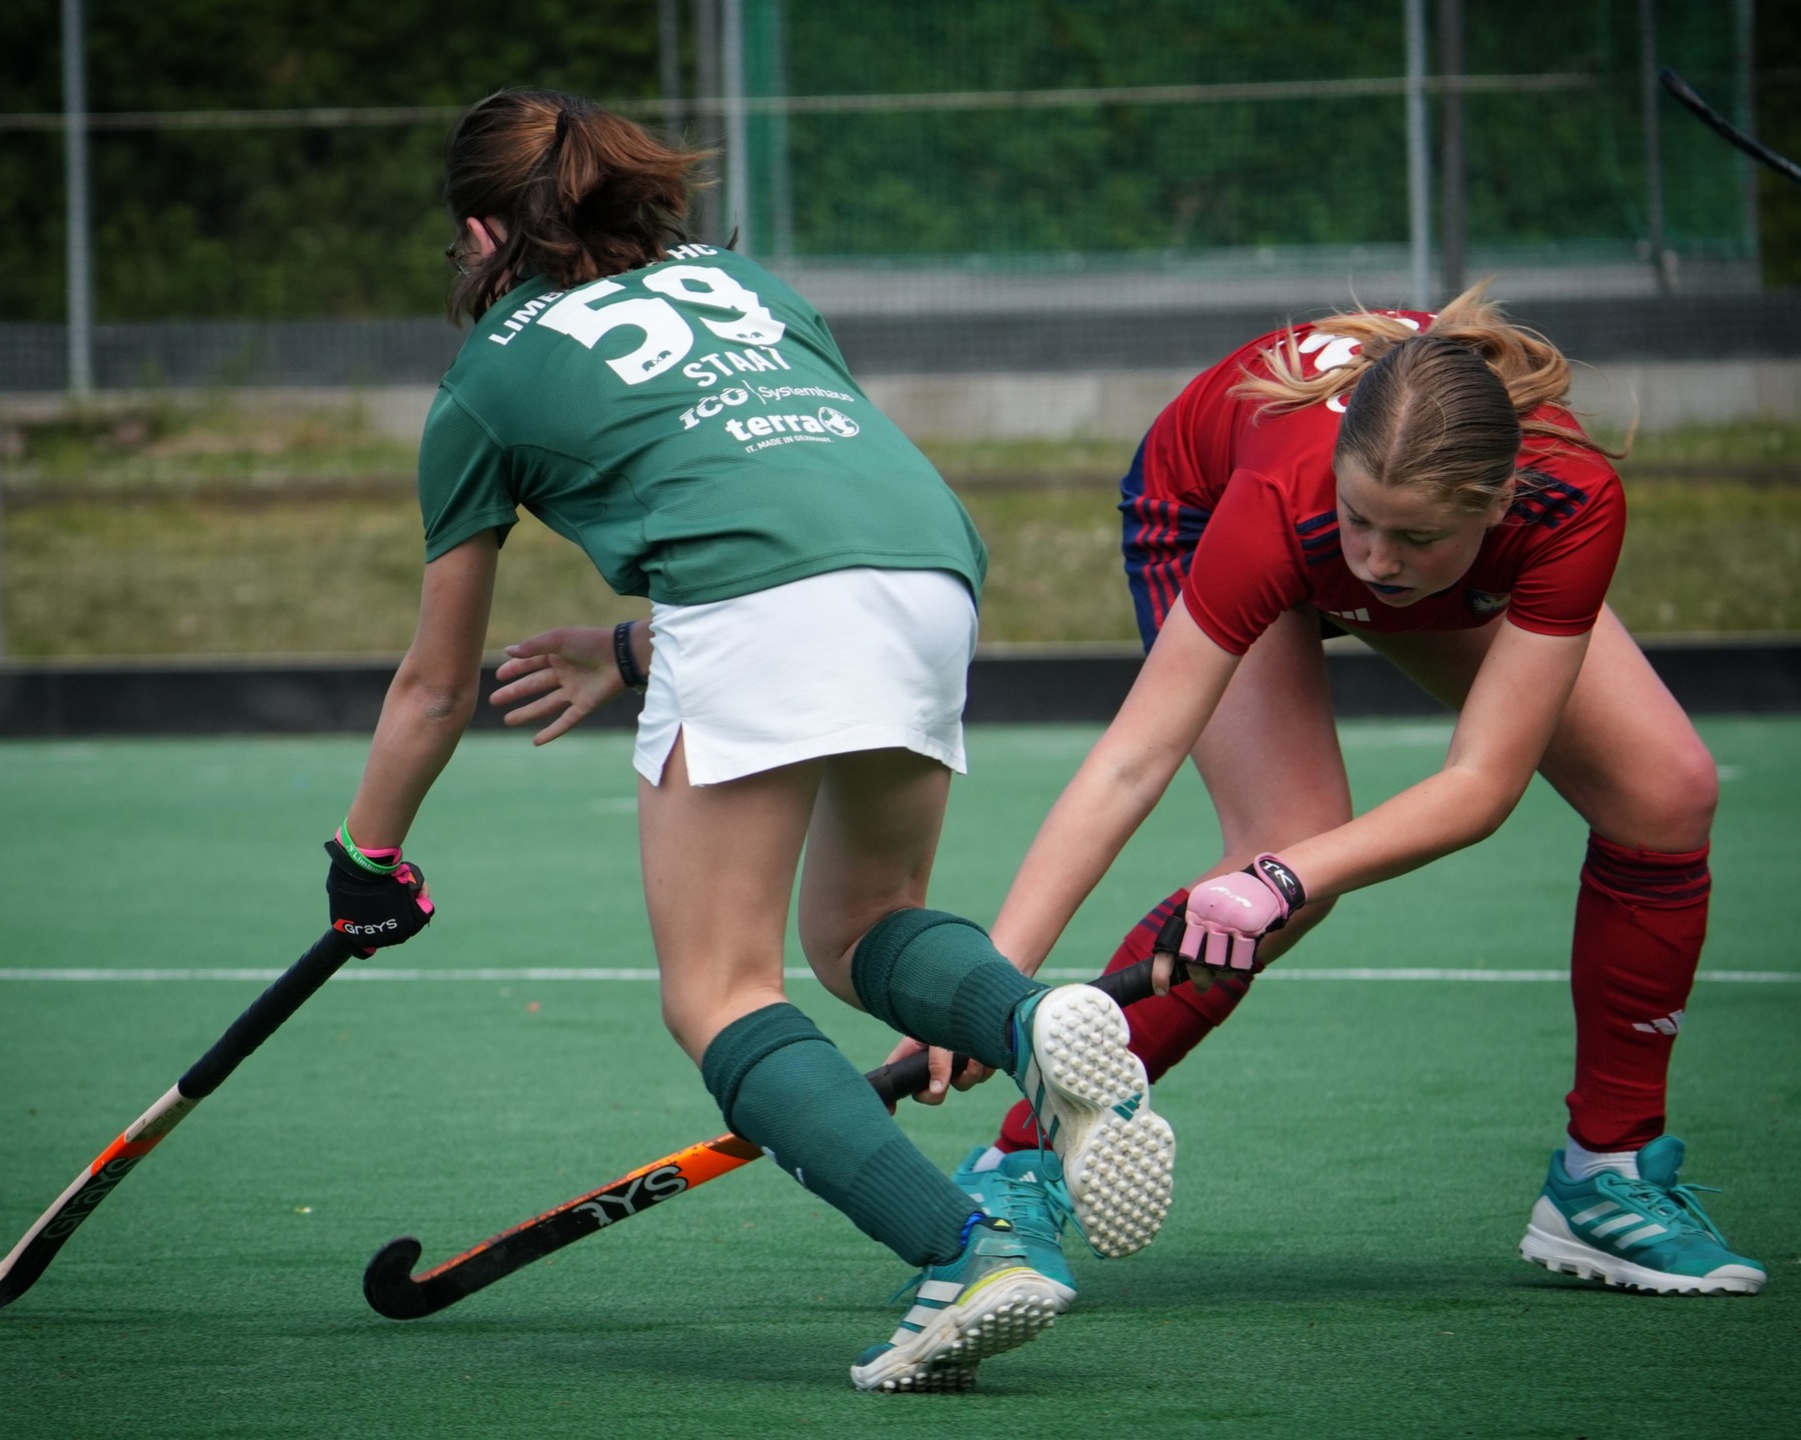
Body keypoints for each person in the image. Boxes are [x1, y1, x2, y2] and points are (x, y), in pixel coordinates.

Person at [321, 88, 1175, 1393]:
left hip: (752, 603)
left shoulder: (488, 372)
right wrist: (630, 650)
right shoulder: (744, 283)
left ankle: (968, 1251)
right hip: (927, 568)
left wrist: (366, 858)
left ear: (484, 231)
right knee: (862, 930)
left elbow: (436, 689)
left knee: (719, 992)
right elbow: (798, 503)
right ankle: (1031, 1019)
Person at [899, 288, 1765, 1300]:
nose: (1376, 562)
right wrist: (987, 990)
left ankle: (1603, 1174)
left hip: (1419, 528)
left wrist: (1277, 881)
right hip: (1207, 501)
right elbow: (1131, 761)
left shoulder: (1566, 499)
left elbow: (1480, 783)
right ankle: (1018, 1167)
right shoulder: (1286, 497)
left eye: (1411, 538)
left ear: (1499, 503)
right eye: (1362, 523)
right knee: (1286, 832)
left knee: (1664, 793)